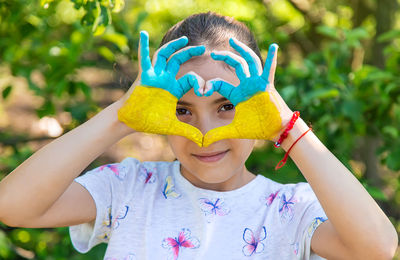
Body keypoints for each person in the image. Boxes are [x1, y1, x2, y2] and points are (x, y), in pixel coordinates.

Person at [0, 12, 397, 260]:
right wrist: (120, 117)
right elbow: (13, 206)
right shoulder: (128, 188)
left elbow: (377, 250)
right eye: (182, 111)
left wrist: (287, 129)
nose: (205, 134)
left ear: (261, 107)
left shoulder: (289, 210)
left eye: (227, 106)